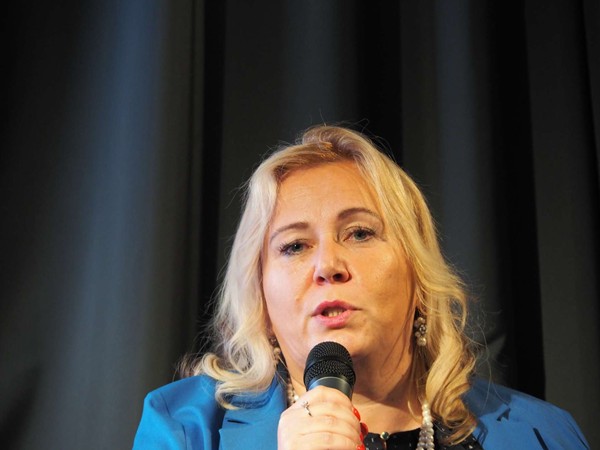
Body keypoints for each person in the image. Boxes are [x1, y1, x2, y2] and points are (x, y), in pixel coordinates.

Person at [133, 125, 589, 449]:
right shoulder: (186, 429)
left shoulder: (545, 434)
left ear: (418, 276)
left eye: (360, 233)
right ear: (261, 298)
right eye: (294, 246)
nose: (328, 266)